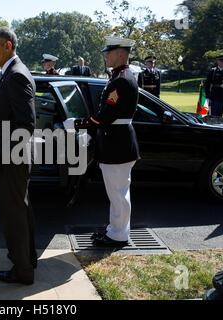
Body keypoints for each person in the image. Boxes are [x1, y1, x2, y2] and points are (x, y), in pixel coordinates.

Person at [75, 36, 140, 247]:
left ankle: (119, 235)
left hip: (117, 143)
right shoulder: (121, 76)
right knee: (117, 192)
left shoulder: (122, 79)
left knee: (118, 193)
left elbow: (106, 115)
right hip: (116, 141)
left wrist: (79, 124)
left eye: (109, 52)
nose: (105, 55)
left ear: (121, 53)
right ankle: (115, 230)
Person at [0, 28, 38, 285]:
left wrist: (3, 156)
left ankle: (22, 271)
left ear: (8, 46)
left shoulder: (16, 75)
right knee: (21, 211)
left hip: (12, 158)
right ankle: (27, 259)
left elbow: (26, 124)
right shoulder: (10, 72)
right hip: (14, 157)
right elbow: (6, 112)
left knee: (14, 215)